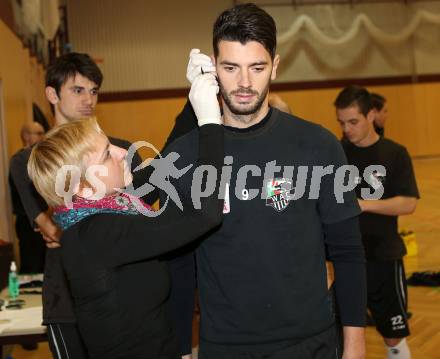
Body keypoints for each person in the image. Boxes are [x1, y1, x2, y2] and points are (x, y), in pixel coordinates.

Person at [163, 4, 367, 359]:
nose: (244, 83)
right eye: (231, 68)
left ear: (275, 65)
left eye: (257, 68)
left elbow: (348, 251)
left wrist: (354, 344)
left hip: (310, 343)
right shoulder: (185, 156)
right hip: (226, 346)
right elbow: (179, 267)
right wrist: (180, 349)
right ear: (213, 66)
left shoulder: (317, 145)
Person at [27, 74, 224, 358]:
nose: (122, 153)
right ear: (83, 185)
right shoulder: (98, 235)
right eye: (107, 154)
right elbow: (205, 214)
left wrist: (195, 96)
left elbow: (162, 166)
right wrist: (210, 125)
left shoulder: (111, 209)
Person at [9, 52, 146, 358]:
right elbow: (55, 230)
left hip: (125, 293)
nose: (89, 100)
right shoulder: (27, 161)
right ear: (51, 94)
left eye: (94, 91)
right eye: (78, 90)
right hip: (66, 300)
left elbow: (138, 222)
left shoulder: (121, 150)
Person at [335, 86, 419, 359]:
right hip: (344, 259)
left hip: (383, 256)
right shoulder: (335, 153)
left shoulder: (395, 153)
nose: (347, 129)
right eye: (342, 122)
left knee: (392, 333)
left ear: (371, 115)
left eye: (353, 122)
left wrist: (364, 204)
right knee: (344, 333)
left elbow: (408, 202)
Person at [9, 122, 46, 274]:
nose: (42, 137)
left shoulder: (41, 157)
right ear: (26, 136)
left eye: (43, 133)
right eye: (38, 133)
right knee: (32, 265)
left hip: (45, 217)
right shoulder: (20, 161)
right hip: (28, 220)